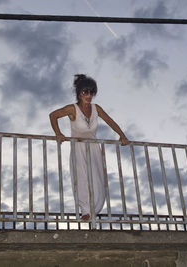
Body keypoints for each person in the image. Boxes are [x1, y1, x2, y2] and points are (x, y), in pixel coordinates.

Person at [49, 74, 129, 220]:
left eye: (92, 92)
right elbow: (53, 115)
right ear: (79, 93)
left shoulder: (96, 108)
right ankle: (85, 210)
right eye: (85, 92)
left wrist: (122, 135)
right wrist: (58, 133)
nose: (89, 95)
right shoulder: (72, 109)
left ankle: (94, 209)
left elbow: (110, 121)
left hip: (93, 147)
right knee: (82, 177)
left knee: (98, 179)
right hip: (78, 147)